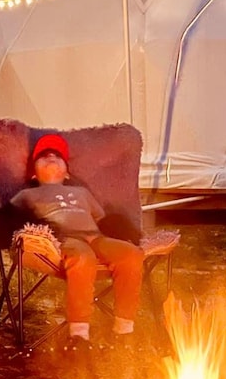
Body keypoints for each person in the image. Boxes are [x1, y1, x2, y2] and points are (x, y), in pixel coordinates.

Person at [9, 134, 144, 353]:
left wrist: (122, 231)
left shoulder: (81, 193)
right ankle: (79, 334)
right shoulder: (28, 195)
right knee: (82, 258)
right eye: (44, 156)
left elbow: (103, 220)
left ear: (67, 171)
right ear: (34, 174)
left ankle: (124, 329)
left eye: (57, 156)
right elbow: (13, 219)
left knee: (131, 254)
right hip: (65, 239)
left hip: (96, 237)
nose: (51, 157)